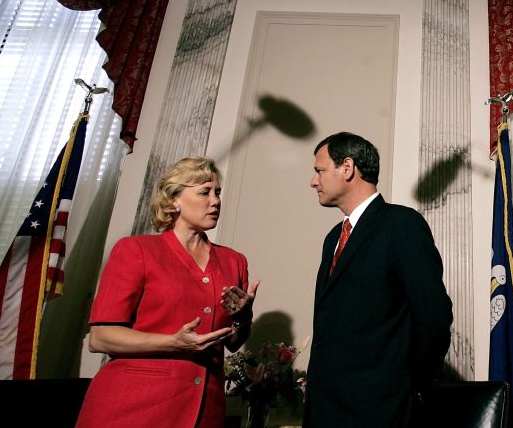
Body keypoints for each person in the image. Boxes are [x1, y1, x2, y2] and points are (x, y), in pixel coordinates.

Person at [76, 157, 259, 428]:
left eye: (217, 192)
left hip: (204, 409)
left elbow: (232, 343)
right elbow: (101, 338)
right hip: (133, 407)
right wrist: (173, 342)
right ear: (175, 200)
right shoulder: (135, 250)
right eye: (204, 192)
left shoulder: (234, 261)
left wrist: (244, 317)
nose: (215, 201)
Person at [304, 132, 453, 428]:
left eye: (319, 170)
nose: (314, 181)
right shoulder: (333, 238)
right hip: (324, 410)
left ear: (347, 168)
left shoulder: (401, 225)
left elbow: (434, 318)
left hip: (380, 412)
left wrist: (406, 388)